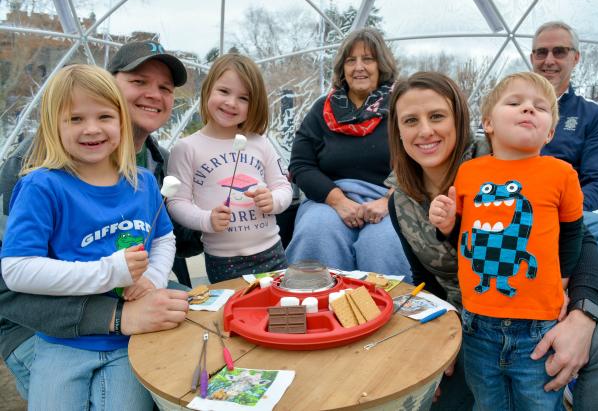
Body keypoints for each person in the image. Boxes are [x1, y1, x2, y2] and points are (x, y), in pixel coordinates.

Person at [387, 71, 598, 411]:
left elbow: (580, 239)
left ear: (462, 120)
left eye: (437, 116)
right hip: (472, 320)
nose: (426, 130)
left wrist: (582, 312)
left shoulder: (501, 156)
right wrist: (432, 339)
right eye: (410, 120)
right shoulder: (399, 199)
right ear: (398, 131)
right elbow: (426, 281)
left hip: (536, 304)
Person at [0, 40, 192, 400]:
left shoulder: (146, 177)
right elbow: (13, 274)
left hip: (127, 339)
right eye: (139, 80)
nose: (91, 129)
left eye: (165, 87)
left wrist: (150, 279)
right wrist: (112, 274)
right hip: (52, 334)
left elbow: (164, 237)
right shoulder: (36, 179)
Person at [429, 72, 583, 410]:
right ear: (488, 122)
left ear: (551, 131)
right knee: (488, 402)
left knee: (538, 402)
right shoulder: (469, 172)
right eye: (515, 103)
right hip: (477, 322)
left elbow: (573, 232)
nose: (528, 109)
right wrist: (446, 224)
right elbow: (464, 235)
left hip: (538, 327)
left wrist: (562, 281)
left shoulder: (561, 174)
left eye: (540, 108)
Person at [532, 21, 598, 316]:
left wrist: (561, 208)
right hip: (510, 207)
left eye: (559, 51)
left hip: (566, 213)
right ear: (532, 58)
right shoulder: (511, 107)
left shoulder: (592, 115)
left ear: (575, 58)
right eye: (541, 52)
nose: (549, 60)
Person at [286, 27, 410, 279]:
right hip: (328, 199)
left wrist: (389, 202)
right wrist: (338, 201)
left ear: (381, 65)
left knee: (381, 245)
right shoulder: (322, 109)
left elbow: (420, 158)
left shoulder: (402, 105)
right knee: (316, 233)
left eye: (368, 59)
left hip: (388, 199)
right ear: (342, 68)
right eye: (350, 60)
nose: (359, 67)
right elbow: (300, 164)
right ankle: (314, 306)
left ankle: (389, 312)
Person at [167, 53, 292, 283]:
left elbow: (284, 187)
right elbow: (176, 203)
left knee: (280, 314)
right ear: (208, 90)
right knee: (235, 315)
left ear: (253, 104)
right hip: (223, 260)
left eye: (243, 98)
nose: (231, 103)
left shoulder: (260, 143)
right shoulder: (186, 148)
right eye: (224, 91)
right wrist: (207, 220)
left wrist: (273, 200)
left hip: (272, 252)